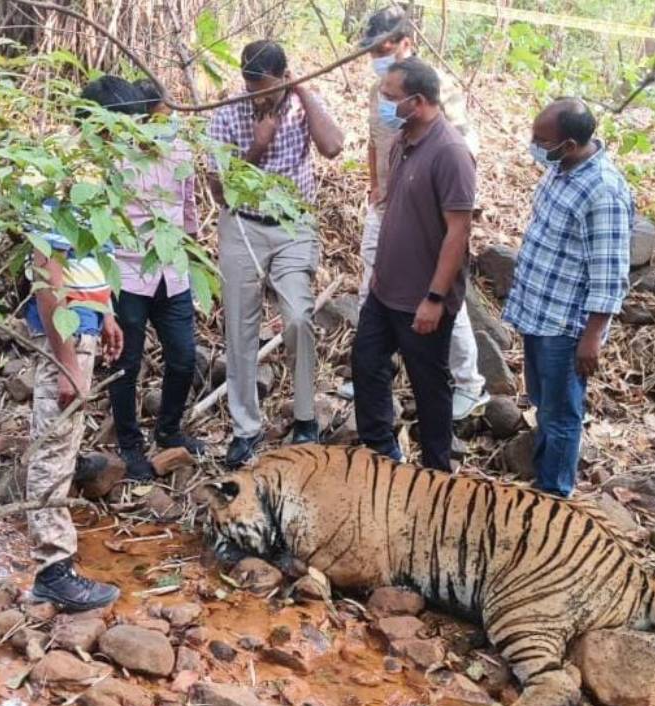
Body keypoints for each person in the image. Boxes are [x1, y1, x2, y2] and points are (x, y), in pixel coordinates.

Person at [17, 78, 140, 611]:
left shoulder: (96, 179)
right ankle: (52, 568)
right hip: (64, 330)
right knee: (54, 445)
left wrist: (107, 312)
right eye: (124, 129)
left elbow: (91, 259)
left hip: (85, 321)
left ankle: (54, 558)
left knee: (60, 441)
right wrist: (68, 360)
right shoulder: (57, 177)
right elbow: (48, 273)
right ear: (99, 124)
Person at [340, 6, 489, 421]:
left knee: (437, 300)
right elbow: (375, 138)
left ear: (406, 42)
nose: (376, 57)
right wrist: (376, 186)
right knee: (375, 290)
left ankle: (468, 382)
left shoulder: (436, 89)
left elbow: (461, 155)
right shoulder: (382, 90)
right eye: (371, 51)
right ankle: (374, 372)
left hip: (429, 208)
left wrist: (448, 209)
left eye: (383, 48)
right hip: (388, 205)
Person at [207, 40, 344, 468]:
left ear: (284, 77)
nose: (256, 94)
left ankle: (305, 418)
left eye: (263, 85)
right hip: (242, 223)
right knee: (240, 326)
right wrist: (257, 146)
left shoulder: (303, 104)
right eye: (249, 83)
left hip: (293, 226)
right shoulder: (229, 113)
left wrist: (302, 93)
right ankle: (246, 427)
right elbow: (218, 188)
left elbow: (334, 146)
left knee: (299, 317)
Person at [351, 58, 476, 471]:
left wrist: (435, 298)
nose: (383, 103)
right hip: (385, 290)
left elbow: (458, 233)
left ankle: (437, 472)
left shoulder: (451, 153)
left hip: (421, 298)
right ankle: (381, 452)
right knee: (366, 363)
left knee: (429, 387)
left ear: (418, 101)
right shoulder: (403, 140)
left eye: (390, 97)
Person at [504, 98, 632, 497]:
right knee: (544, 403)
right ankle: (543, 475)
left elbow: (609, 274)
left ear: (571, 143)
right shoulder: (561, 169)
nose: (534, 146)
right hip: (538, 311)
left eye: (542, 140)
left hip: (565, 325)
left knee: (562, 415)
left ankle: (554, 494)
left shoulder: (604, 191)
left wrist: (592, 337)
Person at [93, 76, 207, 482]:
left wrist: (193, 252)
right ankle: (129, 444)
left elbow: (187, 203)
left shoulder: (179, 148)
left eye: (170, 114)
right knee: (127, 362)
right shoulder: (114, 156)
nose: (168, 121)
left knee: (184, 356)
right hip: (128, 273)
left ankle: (169, 429)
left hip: (172, 271)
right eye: (160, 115)